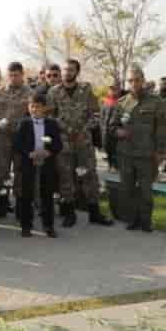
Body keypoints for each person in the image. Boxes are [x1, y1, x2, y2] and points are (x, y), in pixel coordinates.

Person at [47, 59, 112, 227]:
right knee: (66, 176)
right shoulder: (53, 92)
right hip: (64, 142)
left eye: (71, 70)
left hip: (84, 141)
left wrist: (83, 130)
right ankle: (69, 213)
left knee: (89, 175)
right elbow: (50, 116)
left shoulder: (86, 89)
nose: (67, 72)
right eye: (65, 69)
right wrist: (66, 129)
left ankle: (94, 213)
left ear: (77, 72)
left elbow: (95, 114)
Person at [109, 66, 166, 232]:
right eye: (130, 81)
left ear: (143, 81)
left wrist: (161, 151)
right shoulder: (121, 103)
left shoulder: (156, 102)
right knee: (127, 189)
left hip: (146, 155)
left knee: (145, 191)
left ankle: (146, 221)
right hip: (126, 154)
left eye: (137, 80)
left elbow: (163, 128)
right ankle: (132, 220)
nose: (134, 84)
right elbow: (112, 126)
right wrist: (119, 131)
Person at [14, 94, 63, 238]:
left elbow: (58, 144)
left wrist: (49, 152)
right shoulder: (24, 123)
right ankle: (26, 225)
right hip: (28, 161)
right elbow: (17, 143)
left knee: (47, 193)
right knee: (26, 193)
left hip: (46, 163)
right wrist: (28, 153)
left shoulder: (51, 124)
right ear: (28, 108)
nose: (35, 109)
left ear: (45, 108)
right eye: (32, 107)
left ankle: (48, 226)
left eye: (38, 107)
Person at [0, 62, 33, 218]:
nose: (13, 78)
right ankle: (2, 205)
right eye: (10, 75)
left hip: (21, 139)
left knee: (20, 172)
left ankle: (20, 206)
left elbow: (34, 115)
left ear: (22, 75)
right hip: (3, 138)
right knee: (2, 172)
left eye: (16, 75)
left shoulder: (30, 93)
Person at [101, 83, 122, 170]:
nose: (112, 92)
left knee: (115, 148)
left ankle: (115, 165)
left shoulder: (119, 102)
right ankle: (110, 164)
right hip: (105, 129)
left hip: (115, 129)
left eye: (114, 90)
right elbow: (102, 116)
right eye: (110, 90)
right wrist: (102, 127)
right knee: (107, 147)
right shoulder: (105, 102)